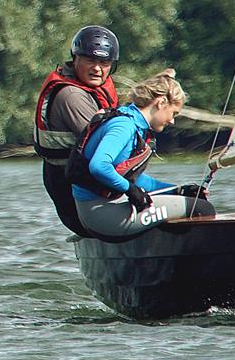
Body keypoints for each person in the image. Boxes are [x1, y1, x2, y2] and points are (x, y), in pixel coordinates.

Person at [66, 69, 216, 240]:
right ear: (161, 102)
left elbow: (137, 181)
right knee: (202, 208)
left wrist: (179, 190)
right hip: (103, 217)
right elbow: (98, 166)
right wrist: (130, 190)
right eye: (174, 113)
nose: (172, 121)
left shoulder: (135, 125)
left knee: (189, 203)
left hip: (102, 211)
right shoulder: (124, 126)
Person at [34, 25, 120, 237]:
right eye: (90, 61)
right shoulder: (72, 96)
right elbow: (105, 146)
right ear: (75, 59)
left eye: (104, 62)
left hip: (91, 189)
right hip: (76, 198)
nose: (97, 69)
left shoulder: (91, 90)